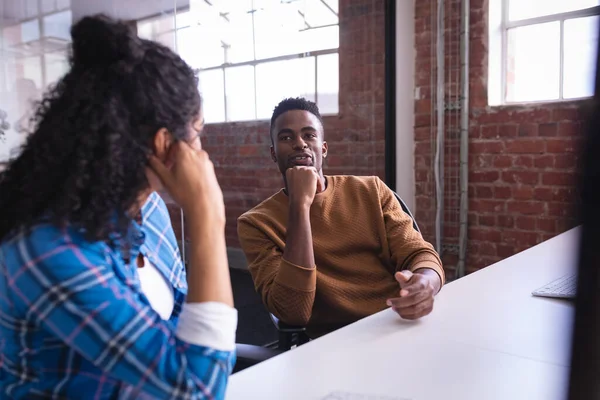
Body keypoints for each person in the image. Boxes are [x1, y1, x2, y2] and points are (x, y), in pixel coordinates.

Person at [0, 15, 236, 399]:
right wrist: (208, 215)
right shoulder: (49, 250)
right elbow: (197, 390)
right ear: (164, 144)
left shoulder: (152, 214)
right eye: (199, 131)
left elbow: (184, 327)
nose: (202, 150)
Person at [238, 97, 445, 338]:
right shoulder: (256, 223)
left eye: (309, 135)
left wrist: (425, 284)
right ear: (274, 153)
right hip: (333, 343)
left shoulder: (372, 190)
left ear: (323, 148)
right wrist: (299, 205)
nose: (299, 144)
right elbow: (293, 312)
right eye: (286, 137)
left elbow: (419, 253)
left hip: (398, 322)